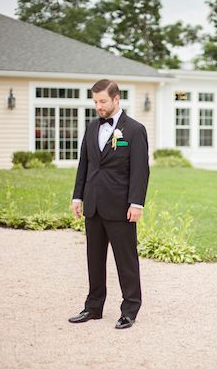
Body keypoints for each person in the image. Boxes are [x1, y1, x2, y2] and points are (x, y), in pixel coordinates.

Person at [69, 79, 149, 330]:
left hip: (121, 207)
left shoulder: (134, 130)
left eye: (102, 101)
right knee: (94, 258)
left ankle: (129, 310)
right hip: (93, 205)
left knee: (126, 260)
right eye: (95, 102)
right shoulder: (92, 127)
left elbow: (140, 171)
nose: (98, 106)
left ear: (116, 99)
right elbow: (85, 164)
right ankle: (93, 308)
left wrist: (136, 203)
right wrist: (77, 196)